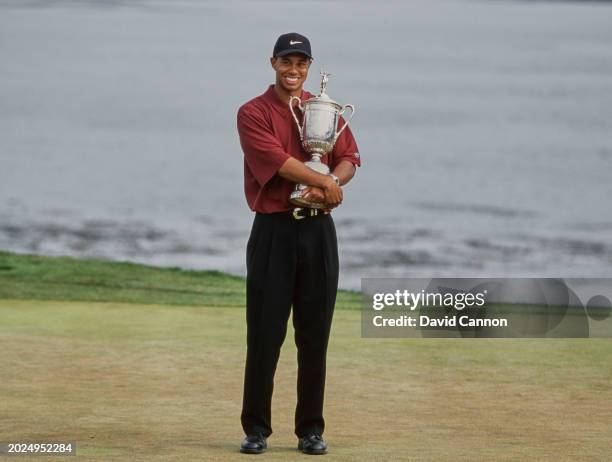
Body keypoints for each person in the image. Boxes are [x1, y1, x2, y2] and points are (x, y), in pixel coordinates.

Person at [236, 32, 360, 455]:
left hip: (318, 233)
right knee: (265, 335)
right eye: (286, 62)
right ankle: (256, 429)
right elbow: (277, 162)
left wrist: (333, 181)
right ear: (272, 63)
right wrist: (324, 181)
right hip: (274, 232)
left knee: (314, 337)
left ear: (309, 67)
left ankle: (311, 430)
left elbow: (349, 158)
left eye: (301, 63)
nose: (293, 70)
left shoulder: (321, 108)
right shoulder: (252, 112)